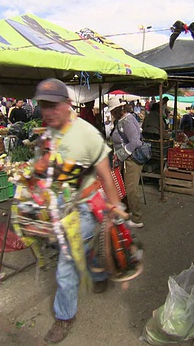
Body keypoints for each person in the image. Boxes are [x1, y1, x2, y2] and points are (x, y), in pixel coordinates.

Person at [34, 79, 123, 344]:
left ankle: (64, 317)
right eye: (42, 106)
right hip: (59, 207)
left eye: (53, 105)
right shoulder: (48, 133)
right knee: (83, 252)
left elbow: (106, 176)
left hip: (84, 209)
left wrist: (116, 206)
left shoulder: (87, 134)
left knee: (67, 264)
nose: (47, 112)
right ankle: (100, 270)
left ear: (67, 104)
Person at [109, 97, 144, 229]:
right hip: (126, 158)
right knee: (125, 186)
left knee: (130, 188)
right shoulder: (123, 120)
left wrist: (120, 154)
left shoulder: (127, 120)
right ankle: (128, 211)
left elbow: (134, 142)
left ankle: (137, 218)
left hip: (132, 159)